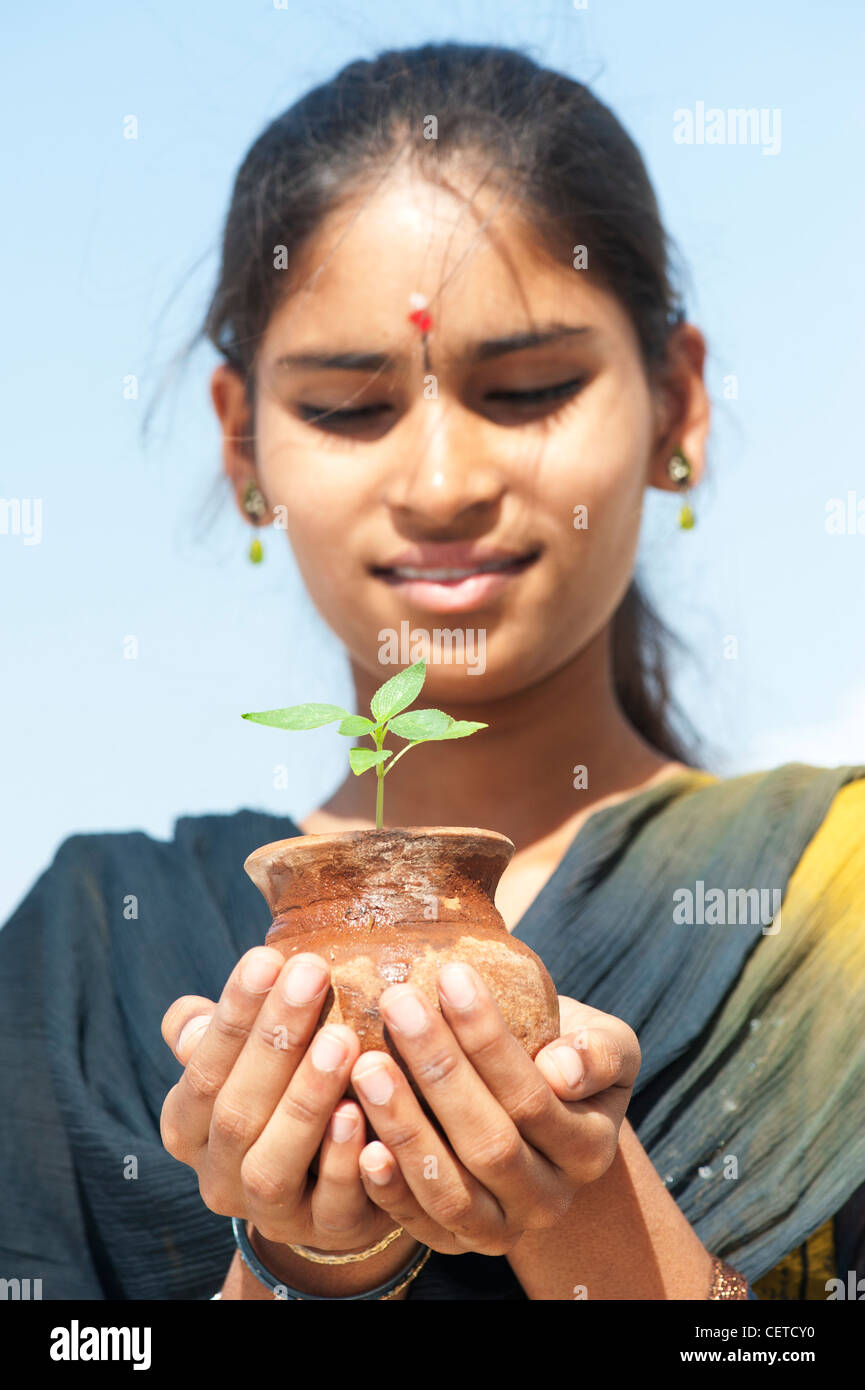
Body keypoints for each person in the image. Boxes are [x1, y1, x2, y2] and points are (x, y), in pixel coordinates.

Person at [2, 42, 864, 1303]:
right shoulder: (94, 954)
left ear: (677, 403)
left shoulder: (826, 916)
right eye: (349, 409)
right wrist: (303, 1258)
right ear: (242, 443)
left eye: (527, 388)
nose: (443, 484)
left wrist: (582, 1204)